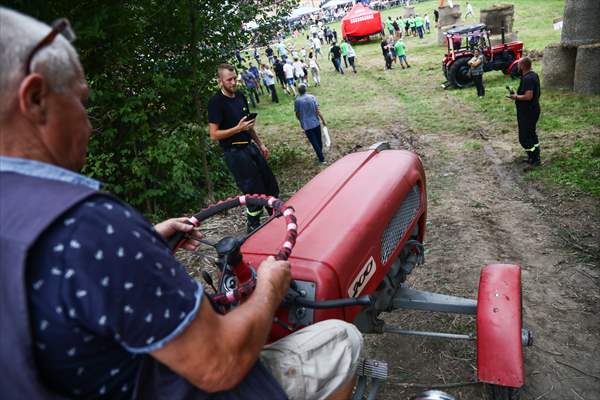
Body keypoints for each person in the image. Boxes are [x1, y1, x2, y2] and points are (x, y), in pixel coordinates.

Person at [0, 8, 362, 400]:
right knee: (341, 341)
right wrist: (269, 291)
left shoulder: (50, 229)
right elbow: (220, 363)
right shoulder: (91, 228)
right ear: (35, 99)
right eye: (81, 102)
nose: (88, 123)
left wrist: (149, 239)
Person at [209, 64, 280, 233]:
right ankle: (253, 227)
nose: (234, 83)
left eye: (235, 79)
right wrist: (237, 129)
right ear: (220, 81)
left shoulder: (240, 96)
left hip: (250, 147)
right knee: (254, 191)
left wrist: (260, 143)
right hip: (234, 152)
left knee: (270, 185)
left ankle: (275, 218)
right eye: (229, 80)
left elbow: (247, 125)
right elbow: (213, 135)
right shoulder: (215, 102)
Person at [510, 57, 542, 166]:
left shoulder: (528, 78)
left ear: (523, 66)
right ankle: (534, 157)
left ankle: (535, 158)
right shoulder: (534, 75)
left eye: (519, 65)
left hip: (527, 112)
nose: (517, 67)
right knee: (531, 134)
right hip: (533, 109)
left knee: (524, 137)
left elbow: (528, 96)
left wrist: (516, 97)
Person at [294, 84, 327, 164]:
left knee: (314, 141)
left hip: (306, 125)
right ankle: (320, 154)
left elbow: (297, 114)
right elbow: (317, 110)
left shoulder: (297, 100)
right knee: (319, 140)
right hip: (315, 122)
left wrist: (301, 121)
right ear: (305, 89)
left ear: (299, 91)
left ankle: (321, 158)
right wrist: (323, 120)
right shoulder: (312, 97)